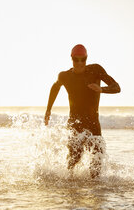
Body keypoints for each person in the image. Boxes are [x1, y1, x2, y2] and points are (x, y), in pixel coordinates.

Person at [44, 44, 121, 178]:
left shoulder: (96, 70)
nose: (79, 63)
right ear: (71, 58)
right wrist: (48, 110)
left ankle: (96, 191)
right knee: (73, 160)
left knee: (96, 164)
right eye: (76, 59)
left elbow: (116, 87)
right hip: (75, 124)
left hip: (93, 125)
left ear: (86, 58)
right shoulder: (65, 76)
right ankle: (70, 190)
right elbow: (55, 87)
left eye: (83, 59)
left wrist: (102, 89)